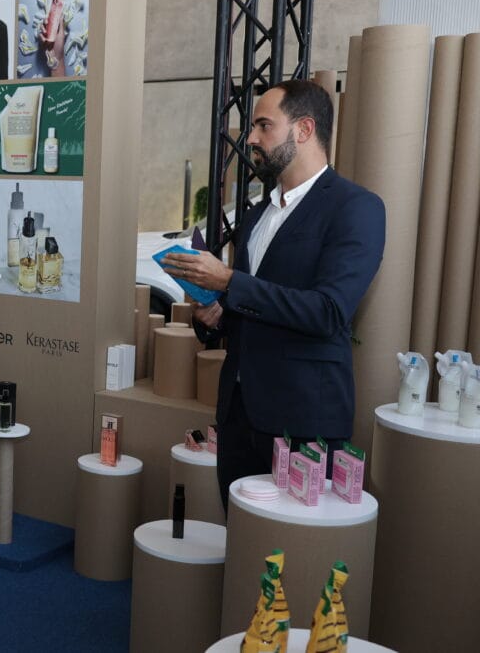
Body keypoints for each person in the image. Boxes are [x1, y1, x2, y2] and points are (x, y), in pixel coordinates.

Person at [161, 79, 386, 511]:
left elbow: (329, 310)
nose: (251, 139)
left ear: (303, 130)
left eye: (264, 126)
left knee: (295, 559)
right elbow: (249, 308)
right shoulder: (256, 215)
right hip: (238, 416)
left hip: (303, 424)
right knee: (242, 546)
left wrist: (228, 282)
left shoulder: (356, 208)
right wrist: (214, 315)